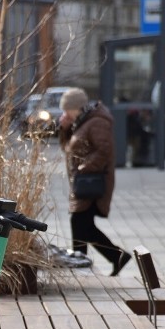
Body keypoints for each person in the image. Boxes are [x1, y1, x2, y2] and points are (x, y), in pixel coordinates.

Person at [57, 87, 131, 277]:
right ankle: (103, 259)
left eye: (67, 110)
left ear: (77, 107)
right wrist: (64, 129)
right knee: (83, 224)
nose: (65, 114)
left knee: (80, 222)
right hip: (84, 181)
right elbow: (69, 149)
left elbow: (104, 150)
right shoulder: (82, 122)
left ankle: (94, 261)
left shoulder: (97, 122)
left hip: (92, 181)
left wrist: (85, 168)